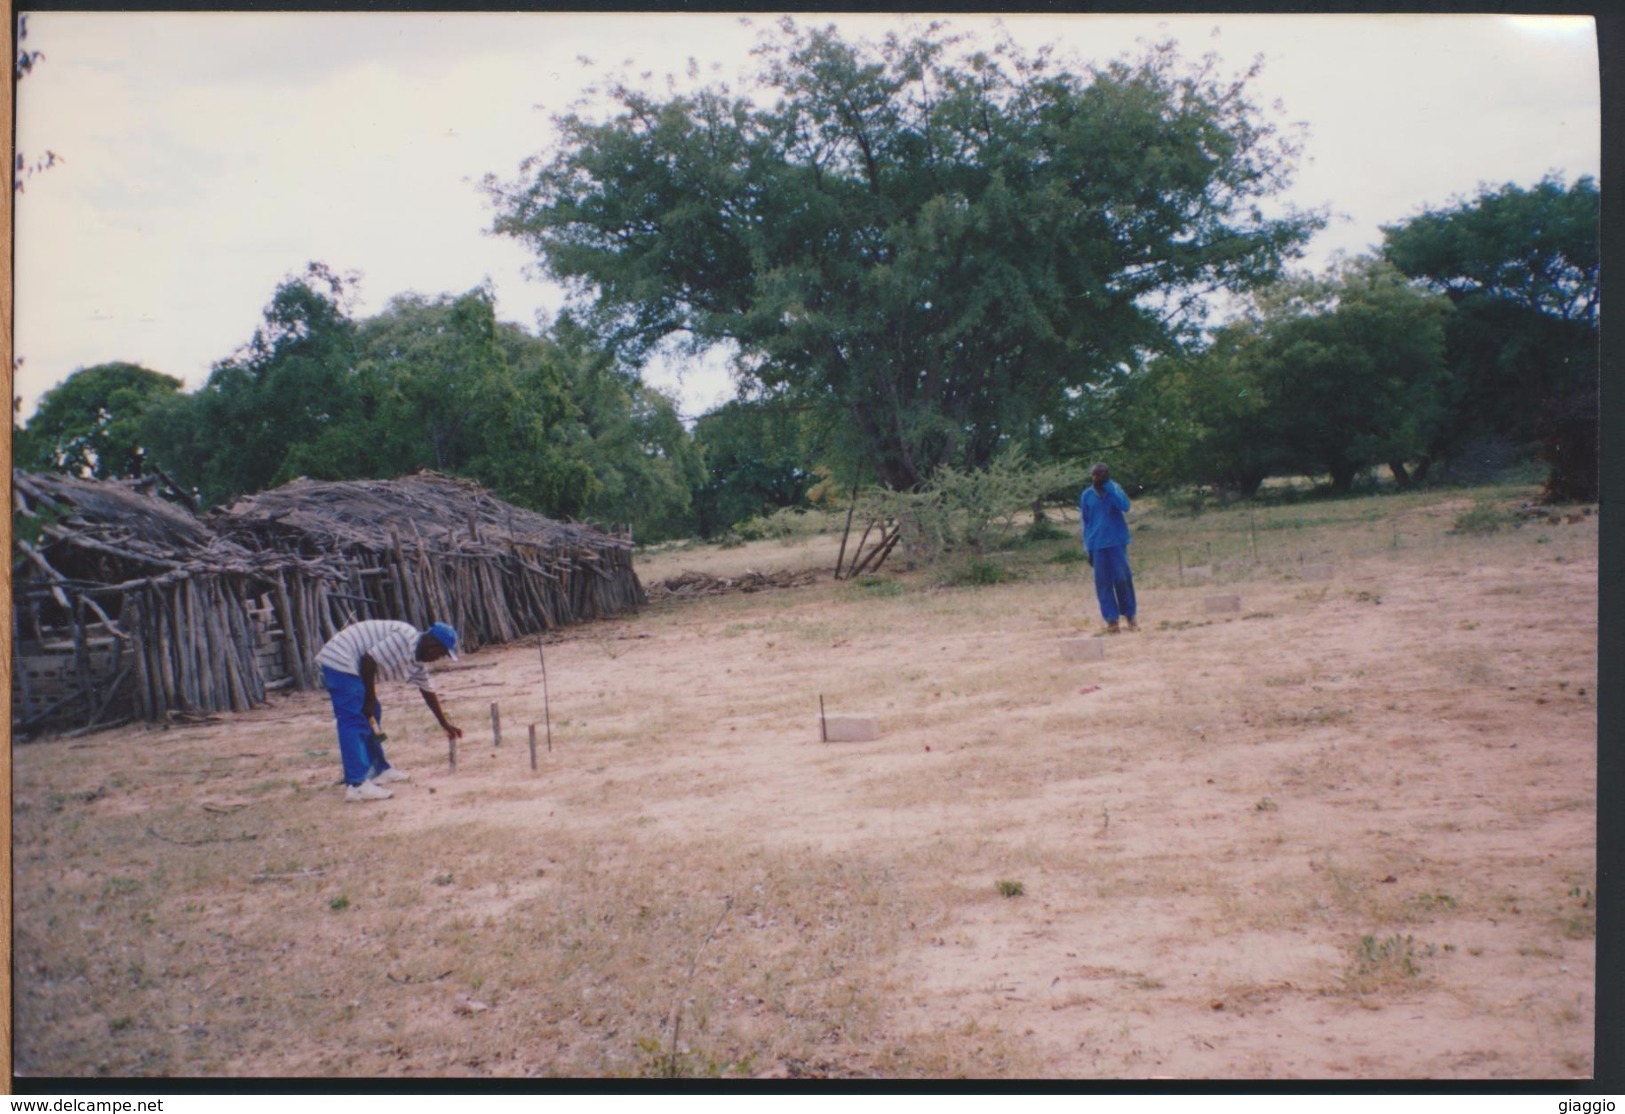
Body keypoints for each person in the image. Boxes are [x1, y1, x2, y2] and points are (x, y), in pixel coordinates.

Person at [316, 619, 465, 802]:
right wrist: (369, 697)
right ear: (432, 644)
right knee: (354, 718)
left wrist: (444, 723)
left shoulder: (416, 659)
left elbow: (428, 691)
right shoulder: (405, 638)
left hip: (350, 662)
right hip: (340, 659)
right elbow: (369, 660)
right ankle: (357, 785)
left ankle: (379, 769)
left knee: (372, 712)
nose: (438, 659)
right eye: (441, 653)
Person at [1080, 463, 1138, 633]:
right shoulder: (1087, 495)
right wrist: (1088, 548)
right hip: (1097, 544)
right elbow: (1086, 522)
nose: (1096, 478)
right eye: (1094, 475)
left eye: (1099, 475)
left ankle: (1130, 616)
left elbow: (1125, 506)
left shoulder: (1115, 489)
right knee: (1103, 584)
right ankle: (1111, 620)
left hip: (1116, 542)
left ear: (1106, 475)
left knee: (1122, 579)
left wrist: (1109, 487)